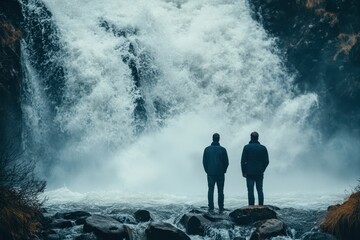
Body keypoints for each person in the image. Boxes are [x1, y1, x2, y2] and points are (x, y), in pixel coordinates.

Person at [241, 131, 269, 206]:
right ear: (258, 138)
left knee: (250, 191)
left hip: (249, 172)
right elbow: (266, 161)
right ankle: (261, 206)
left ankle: (251, 206)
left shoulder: (246, 147)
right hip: (259, 172)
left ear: (251, 137)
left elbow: (243, 161)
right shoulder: (263, 148)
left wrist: (243, 172)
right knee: (260, 190)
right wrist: (262, 169)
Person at [203, 133, 229, 212]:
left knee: (211, 190)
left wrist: (207, 170)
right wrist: (224, 170)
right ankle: (221, 207)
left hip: (210, 173)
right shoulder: (223, 149)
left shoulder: (207, 149)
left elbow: (204, 162)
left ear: (212, 139)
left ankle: (211, 207)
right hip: (220, 173)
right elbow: (226, 162)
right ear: (219, 139)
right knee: (220, 191)